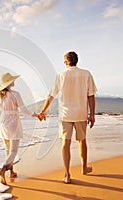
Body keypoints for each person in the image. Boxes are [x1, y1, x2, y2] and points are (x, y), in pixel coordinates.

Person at [38, 51, 97, 184]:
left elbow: (51, 95)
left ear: (66, 62)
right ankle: (84, 168)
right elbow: (91, 96)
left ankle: (67, 174)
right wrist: (92, 114)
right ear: (77, 60)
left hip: (65, 115)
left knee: (66, 143)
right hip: (81, 114)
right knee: (82, 141)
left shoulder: (61, 75)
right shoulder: (86, 74)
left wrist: (43, 111)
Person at [0, 72, 39, 185]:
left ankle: (11, 172)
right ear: (9, 82)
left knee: (8, 149)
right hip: (14, 123)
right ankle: (3, 170)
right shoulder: (15, 94)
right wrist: (37, 115)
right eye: (12, 80)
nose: (14, 81)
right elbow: (24, 110)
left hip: (3, 123)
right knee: (14, 151)